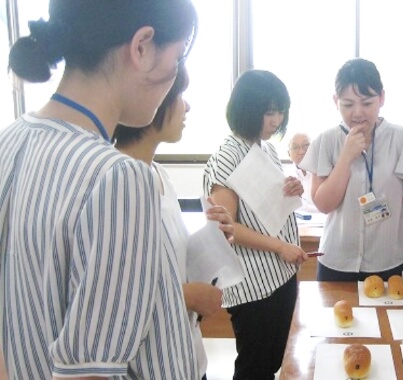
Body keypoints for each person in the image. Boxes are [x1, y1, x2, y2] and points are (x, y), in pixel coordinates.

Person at [0, 1, 200, 379]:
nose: (175, 79)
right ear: (141, 47)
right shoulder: (118, 176)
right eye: (176, 59)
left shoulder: (8, 142)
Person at [112, 63, 228, 380]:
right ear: (150, 100)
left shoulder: (158, 174)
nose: (186, 106)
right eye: (178, 95)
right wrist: (184, 295)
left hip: (186, 358)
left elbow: (171, 263)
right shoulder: (115, 186)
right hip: (148, 368)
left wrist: (214, 238)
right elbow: (109, 298)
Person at [203, 69, 307, 380]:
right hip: (253, 286)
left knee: (274, 360)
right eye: (269, 112)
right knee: (255, 367)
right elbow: (226, 227)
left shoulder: (267, 148)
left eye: (280, 111)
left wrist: (293, 187)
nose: (276, 120)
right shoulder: (226, 156)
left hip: (280, 276)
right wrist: (280, 246)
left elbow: (267, 204)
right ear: (247, 110)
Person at [299, 58, 403, 282]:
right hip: (336, 262)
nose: (357, 113)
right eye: (347, 105)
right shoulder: (326, 141)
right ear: (335, 101)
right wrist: (346, 157)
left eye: (367, 103)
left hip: (388, 261)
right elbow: (323, 204)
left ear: (382, 98)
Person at [287, 132, 319, 213]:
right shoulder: (285, 177)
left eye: (306, 146)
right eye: (295, 147)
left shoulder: (323, 173)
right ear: (289, 154)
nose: (301, 152)